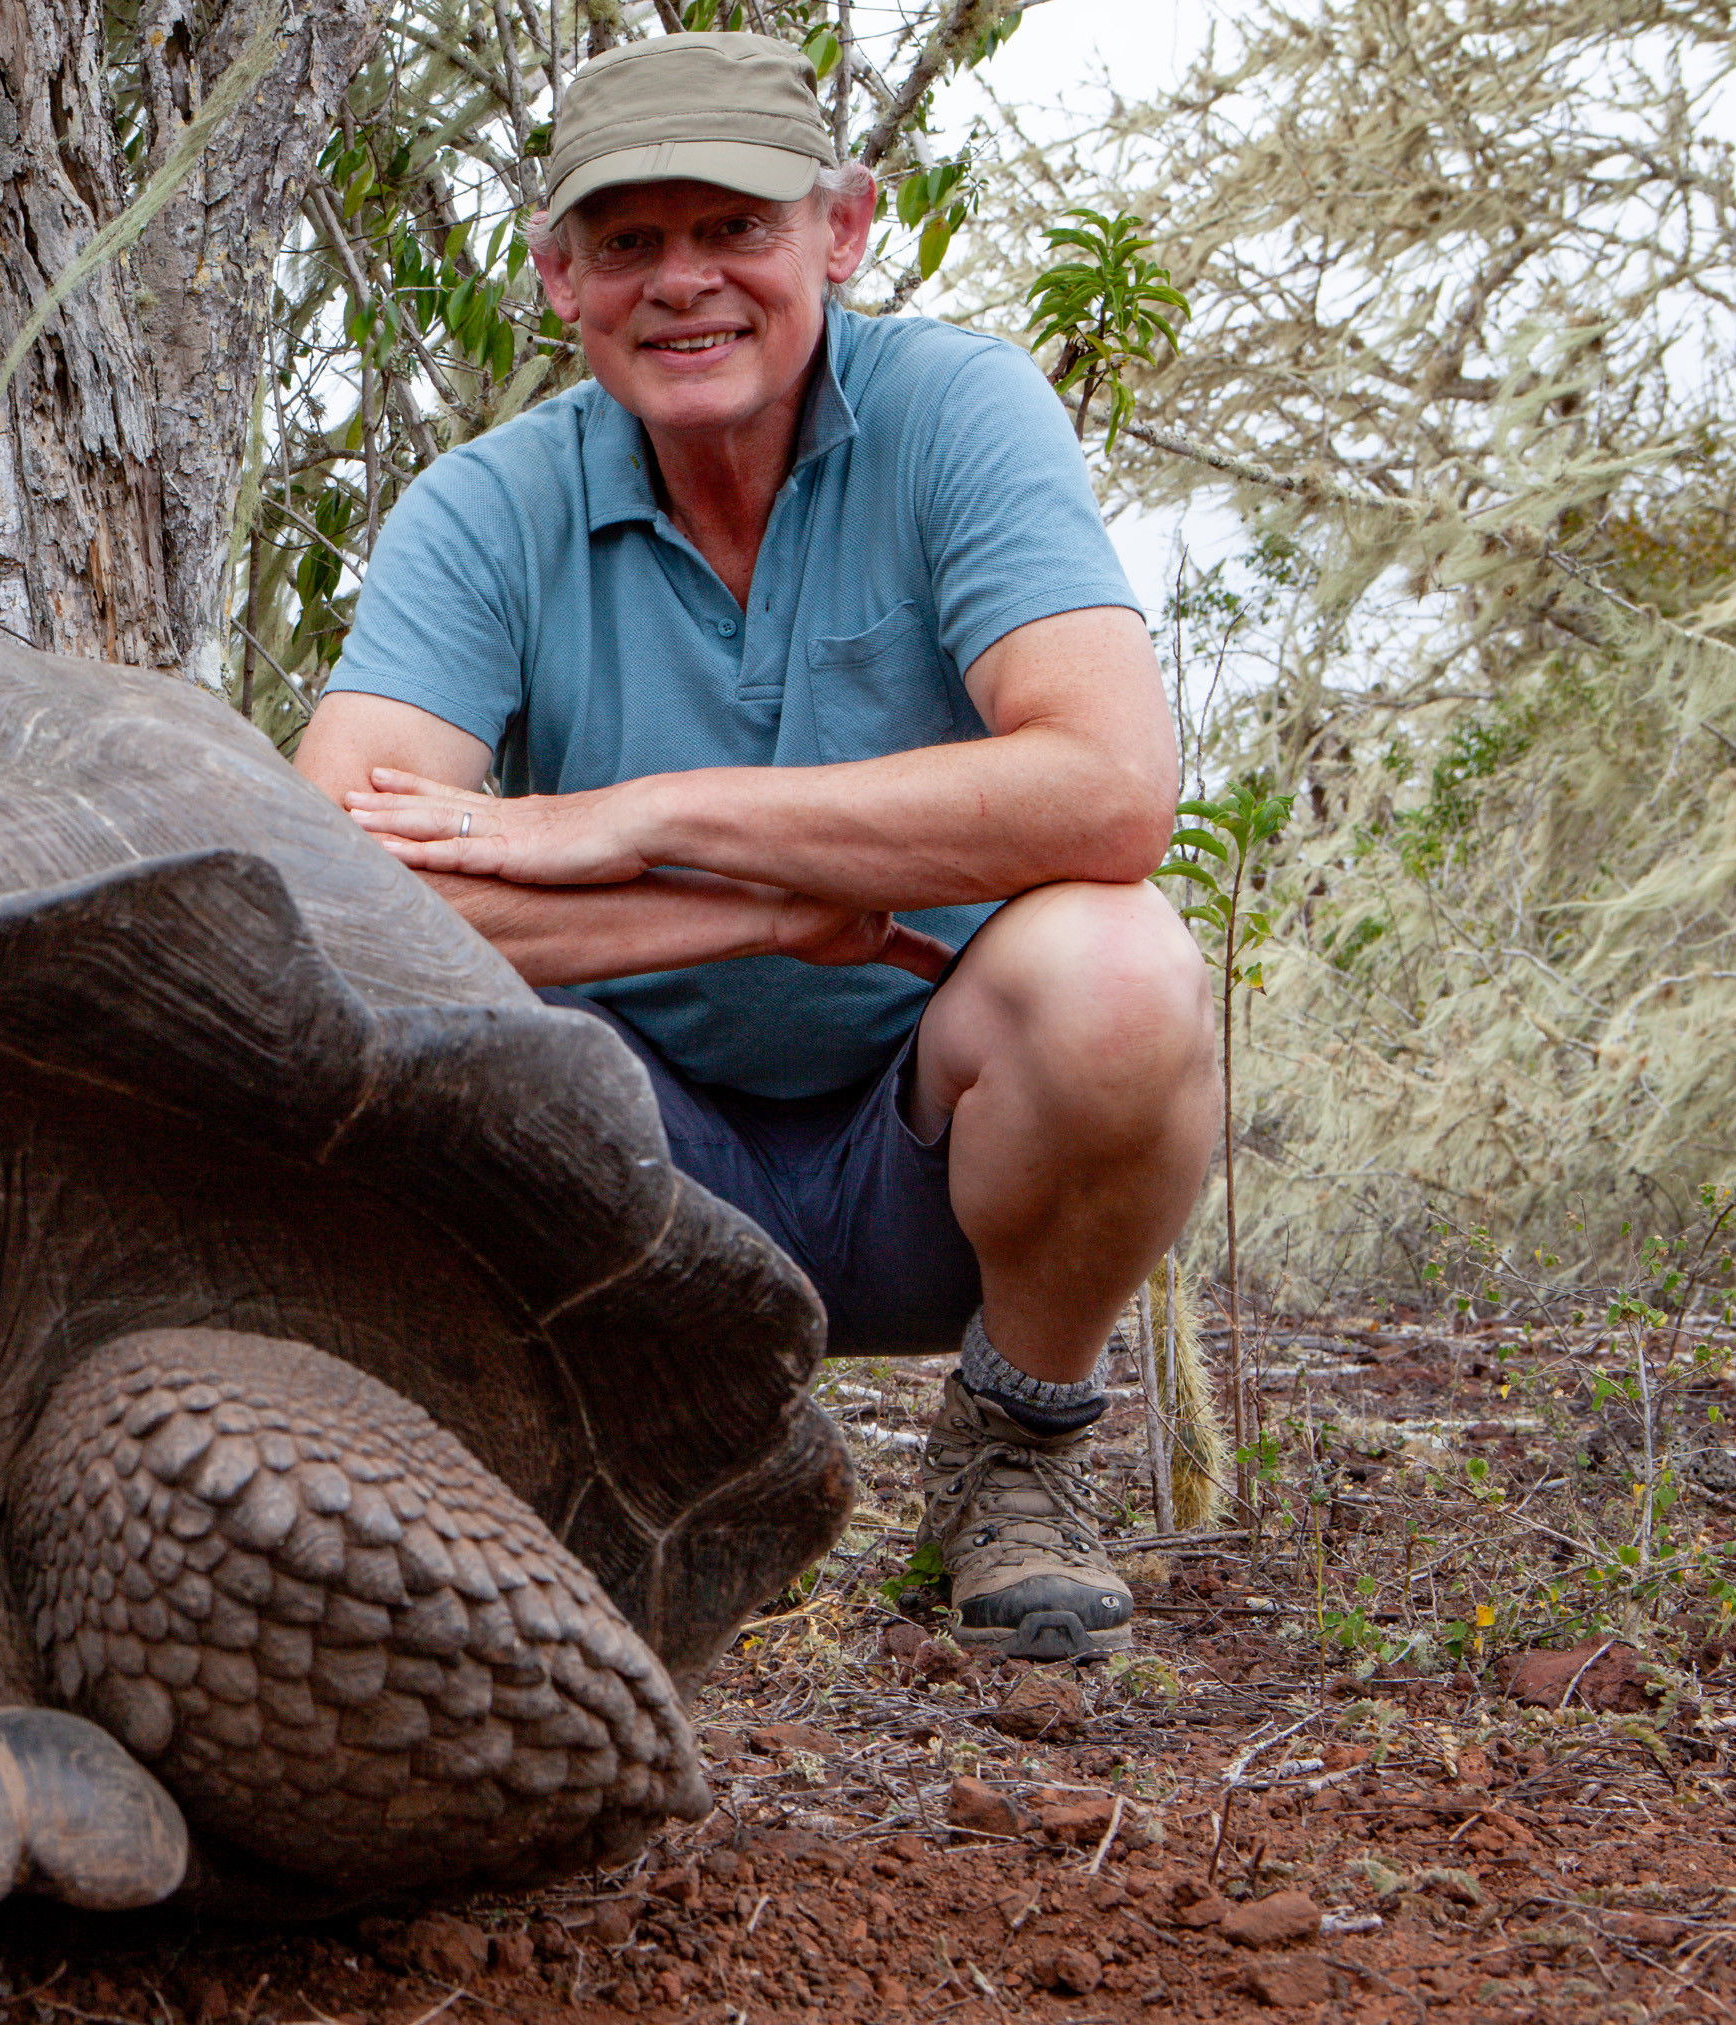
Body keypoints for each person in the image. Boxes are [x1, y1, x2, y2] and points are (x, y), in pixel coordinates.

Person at [292, 31, 1219, 1661]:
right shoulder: (482, 509)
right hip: (642, 1169)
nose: (684, 284)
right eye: (631, 242)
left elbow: (1111, 788)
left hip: (932, 1146)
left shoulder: (957, 414)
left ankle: (1017, 1448)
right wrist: (765, 913)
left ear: (841, 232)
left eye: (736, 229)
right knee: (406, 1055)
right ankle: (640, 1470)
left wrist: (641, 816)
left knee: (1125, 973)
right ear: (560, 274)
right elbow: (338, 894)